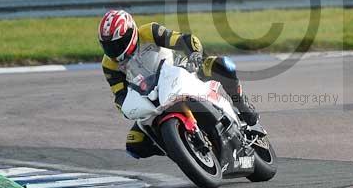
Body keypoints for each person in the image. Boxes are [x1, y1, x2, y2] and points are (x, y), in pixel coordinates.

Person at [98, 9, 259, 159]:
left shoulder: (149, 32)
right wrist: (127, 107)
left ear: (131, 33)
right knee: (134, 144)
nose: (114, 49)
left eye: (118, 43)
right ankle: (181, 150)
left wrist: (194, 54)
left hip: (182, 71)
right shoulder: (109, 64)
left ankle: (243, 105)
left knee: (223, 65)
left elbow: (184, 39)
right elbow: (119, 94)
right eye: (108, 46)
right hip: (151, 97)